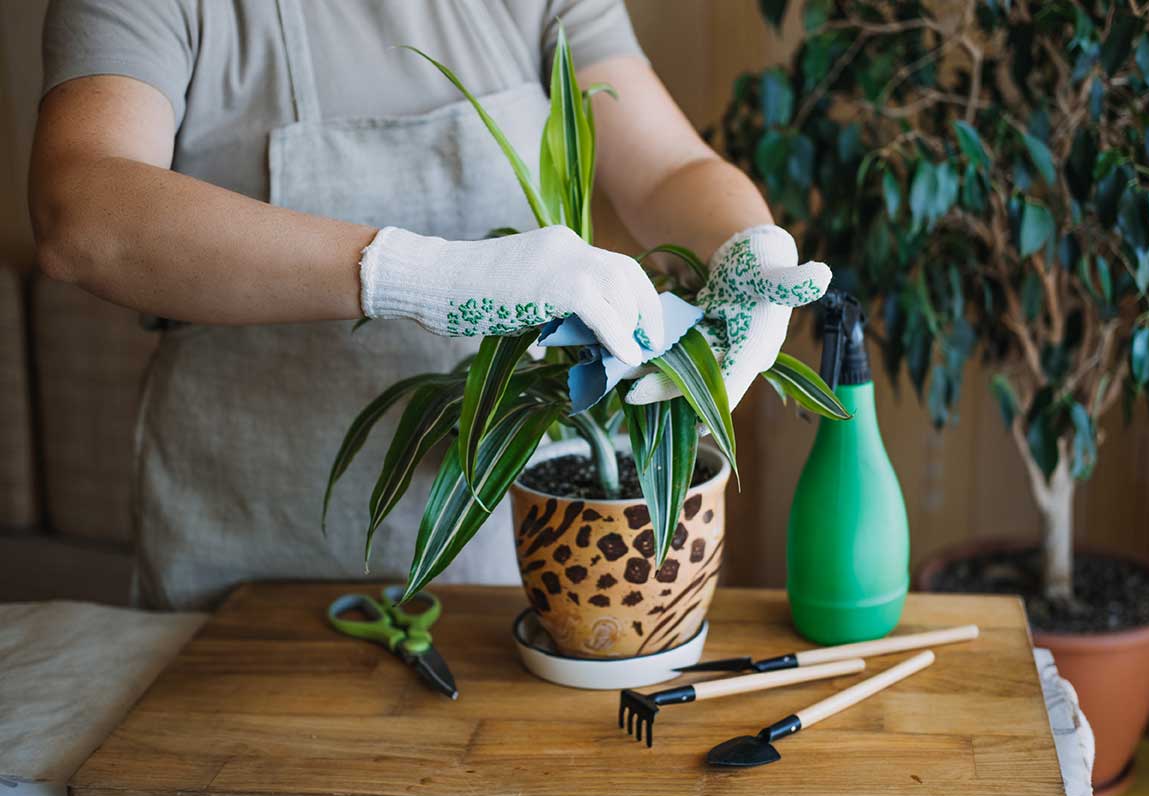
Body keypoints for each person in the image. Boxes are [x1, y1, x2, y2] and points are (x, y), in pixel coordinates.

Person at [30, 0, 828, 611]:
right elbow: (82, 211)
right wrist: (420, 275)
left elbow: (666, 170)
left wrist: (746, 243)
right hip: (243, 542)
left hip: (492, 539)